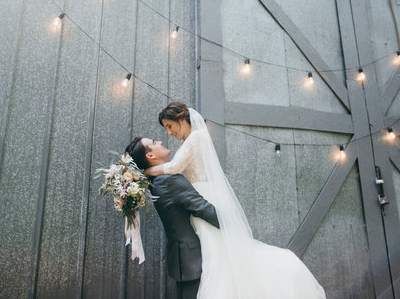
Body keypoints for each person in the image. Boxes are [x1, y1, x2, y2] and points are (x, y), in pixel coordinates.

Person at [142, 102, 326, 298]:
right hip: (197, 197)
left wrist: (145, 171)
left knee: (219, 258)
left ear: (180, 119)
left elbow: (173, 168)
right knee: (218, 257)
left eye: (169, 126)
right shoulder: (190, 140)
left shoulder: (197, 137)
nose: (168, 133)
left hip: (202, 197)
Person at [125, 137, 220, 299]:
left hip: (185, 259)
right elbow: (205, 210)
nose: (160, 142)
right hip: (194, 260)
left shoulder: (157, 179)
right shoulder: (169, 180)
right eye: (154, 143)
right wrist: (232, 222)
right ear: (151, 156)